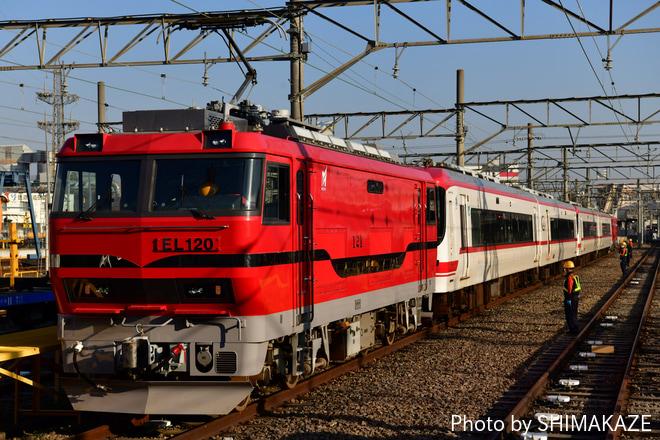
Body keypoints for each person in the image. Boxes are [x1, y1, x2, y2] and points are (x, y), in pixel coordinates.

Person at [562, 260, 581, 334]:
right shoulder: (576, 276)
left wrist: (568, 298)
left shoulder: (570, 277)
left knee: (569, 314)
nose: (564, 270)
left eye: (565, 269)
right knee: (574, 313)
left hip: (571, 298)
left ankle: (573, 330)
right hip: (575, 297)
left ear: (567, 269)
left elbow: (569, 288)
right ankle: (575, 328)